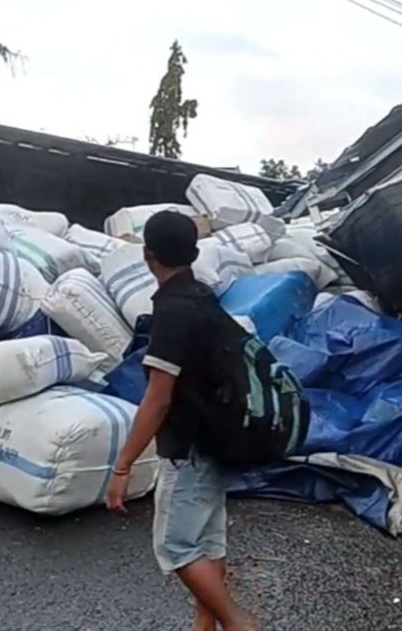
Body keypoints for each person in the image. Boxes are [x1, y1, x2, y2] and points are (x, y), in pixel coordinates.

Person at [106, 211, 256, 631]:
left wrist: (123, 467)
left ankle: (240, 625)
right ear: (192, 252)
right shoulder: (203, 297)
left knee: (175, 548)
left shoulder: (172, 310)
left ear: (147, 254)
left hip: (188, 447)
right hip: (218, 439)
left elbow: (157, 399)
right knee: (208, 542)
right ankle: (204, 627)